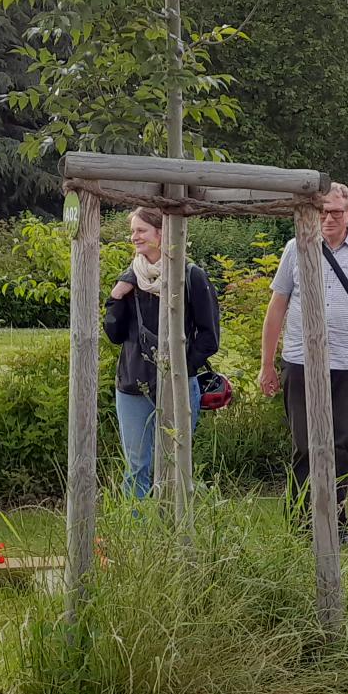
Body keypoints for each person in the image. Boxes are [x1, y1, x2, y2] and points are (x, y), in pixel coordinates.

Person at [259, 184, 348, 540]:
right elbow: (277, 307)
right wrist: (267, 363)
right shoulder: (296, 247)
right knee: (305, 445)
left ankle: (336, 520)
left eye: (335, 212)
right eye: (322, 211)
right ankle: (302, 524)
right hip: (301, 360)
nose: (328, 218)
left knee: (338, 445)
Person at [102, 205, 221, 499]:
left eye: (141, 230)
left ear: (162, 232)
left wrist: (179, 371)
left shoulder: (191, 276)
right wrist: (116, 297)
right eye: (133, 231)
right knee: (136, 467)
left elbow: (209, 338)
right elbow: (114, 335)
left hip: (178, 385)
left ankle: (171, 533)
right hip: (132, 385)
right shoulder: (131, 278)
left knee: (172, 464)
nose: (134, 237)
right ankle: (138, 534)